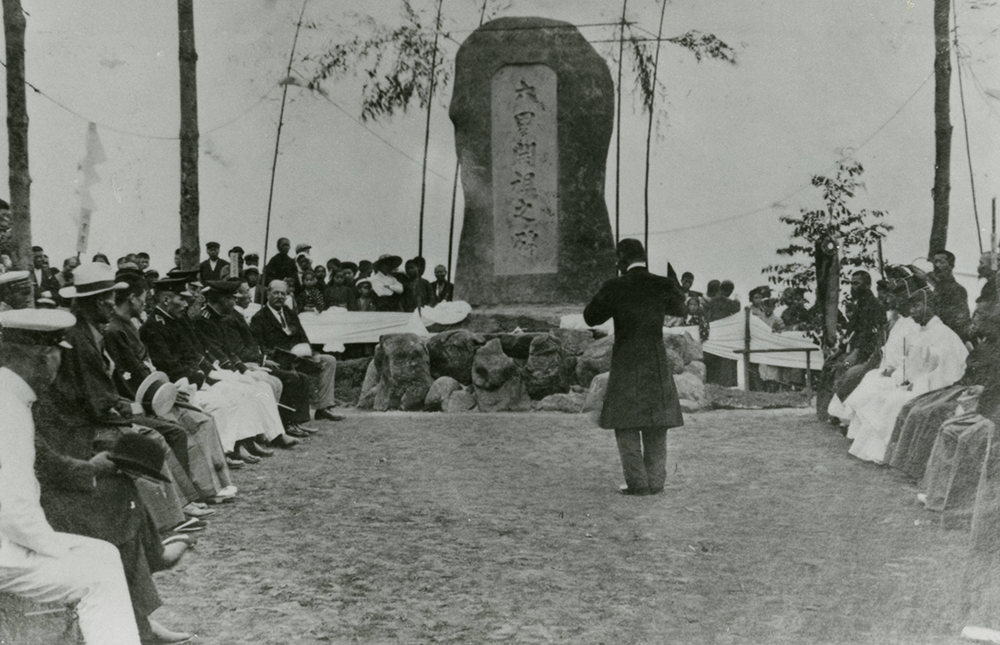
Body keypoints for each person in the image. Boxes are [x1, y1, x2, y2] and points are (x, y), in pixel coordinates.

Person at [0, 308, 143, 645]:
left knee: (104, 554)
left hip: (8, 539)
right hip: (5, 546)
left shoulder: (10, 398)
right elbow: (14, 508)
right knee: (98, 578)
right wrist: (52, 550)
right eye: (58, 356)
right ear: (47, 356)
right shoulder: (8, 409)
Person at [583, 239, 686, 496]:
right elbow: (680, 308)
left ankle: (637, 483)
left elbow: (590, 316)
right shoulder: (663, 284)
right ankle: (656, 481)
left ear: (622, 258)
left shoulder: (615, 286)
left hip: (626, 358)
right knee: (656, 420)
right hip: (655, 357)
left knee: (626, 421)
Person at [840, 287, 968, 464]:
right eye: (912, 307)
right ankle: (872, 450)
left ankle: (885, 454)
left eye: (917, 306)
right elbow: (907, 362)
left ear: (930, 306)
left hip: (932, 388)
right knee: (883, 397)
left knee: (893, 400)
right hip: (910, 383)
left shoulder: (945, 335)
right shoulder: (918, 332)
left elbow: (948, 371)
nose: (912, 311)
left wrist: (919, 384)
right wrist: (901, 377)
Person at [250, 279, 344, 422]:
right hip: (279, 360)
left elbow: (302, 336)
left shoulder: (290, 313)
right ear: (268, 294)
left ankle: (323, 408)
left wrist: (311, 353)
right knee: (295, 375)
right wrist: (285, 356)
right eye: (276, 293)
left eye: (283, 293)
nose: (280, 296)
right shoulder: (259, 318)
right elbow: (262, 347)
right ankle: (293, 418)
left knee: (329, 360)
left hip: (300, 357)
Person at [927, 249, 971, 339]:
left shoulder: (958, 290)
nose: (937, 265)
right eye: (935, 262)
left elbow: (961, 322)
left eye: (941, 262)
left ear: (951, 266)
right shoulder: (936, 288)